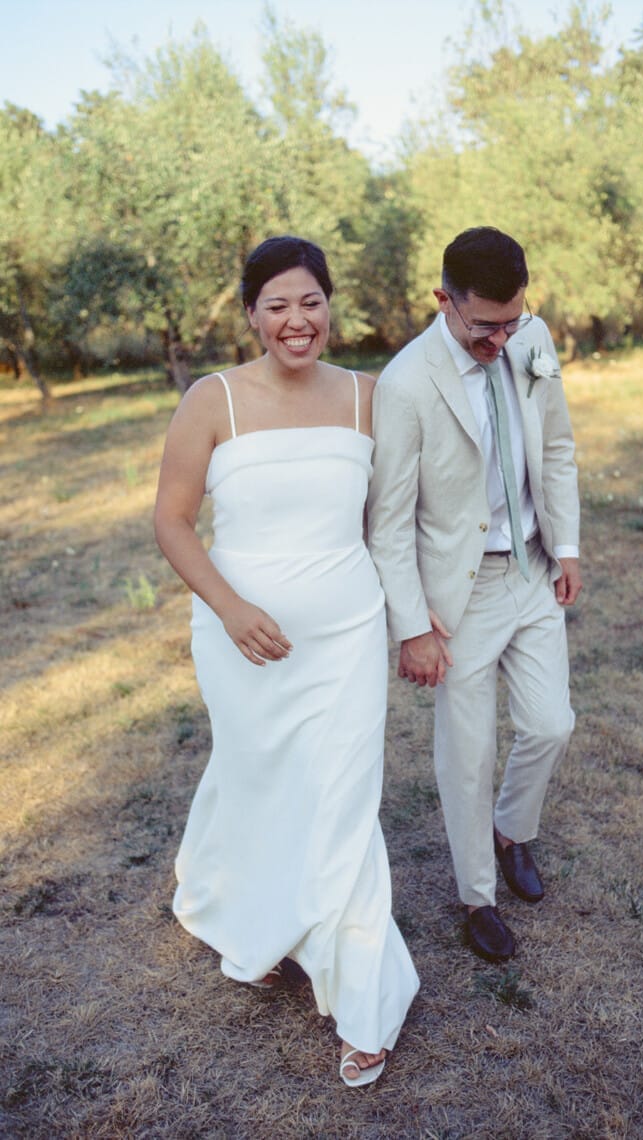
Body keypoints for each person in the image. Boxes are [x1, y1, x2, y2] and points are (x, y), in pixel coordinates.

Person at [154, 235, 418, 1087]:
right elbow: (172, 520)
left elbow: (397, 521)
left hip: (346, 637)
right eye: (277, 306)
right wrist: (229, 609)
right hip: (240, 643)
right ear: (252, 315)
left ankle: (365, 1000)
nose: (296, 321)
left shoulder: (368, 398)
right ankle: (258, 921)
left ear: (330, 304)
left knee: (342, 804)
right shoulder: (213, 401)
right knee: (261, 784)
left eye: (310, 301)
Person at [367, 226, 581, 964]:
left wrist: (569, 546)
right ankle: (476, 898)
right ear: (443, 301)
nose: (501, 340)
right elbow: (388, 521)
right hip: (458, 595)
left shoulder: (530, 338)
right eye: (484, 325)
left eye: (512, 321)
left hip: (531, 566)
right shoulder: (404, 384)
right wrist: (411, 628)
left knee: (551, 723)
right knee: (468, 752)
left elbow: (555, 446)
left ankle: (512, 829)